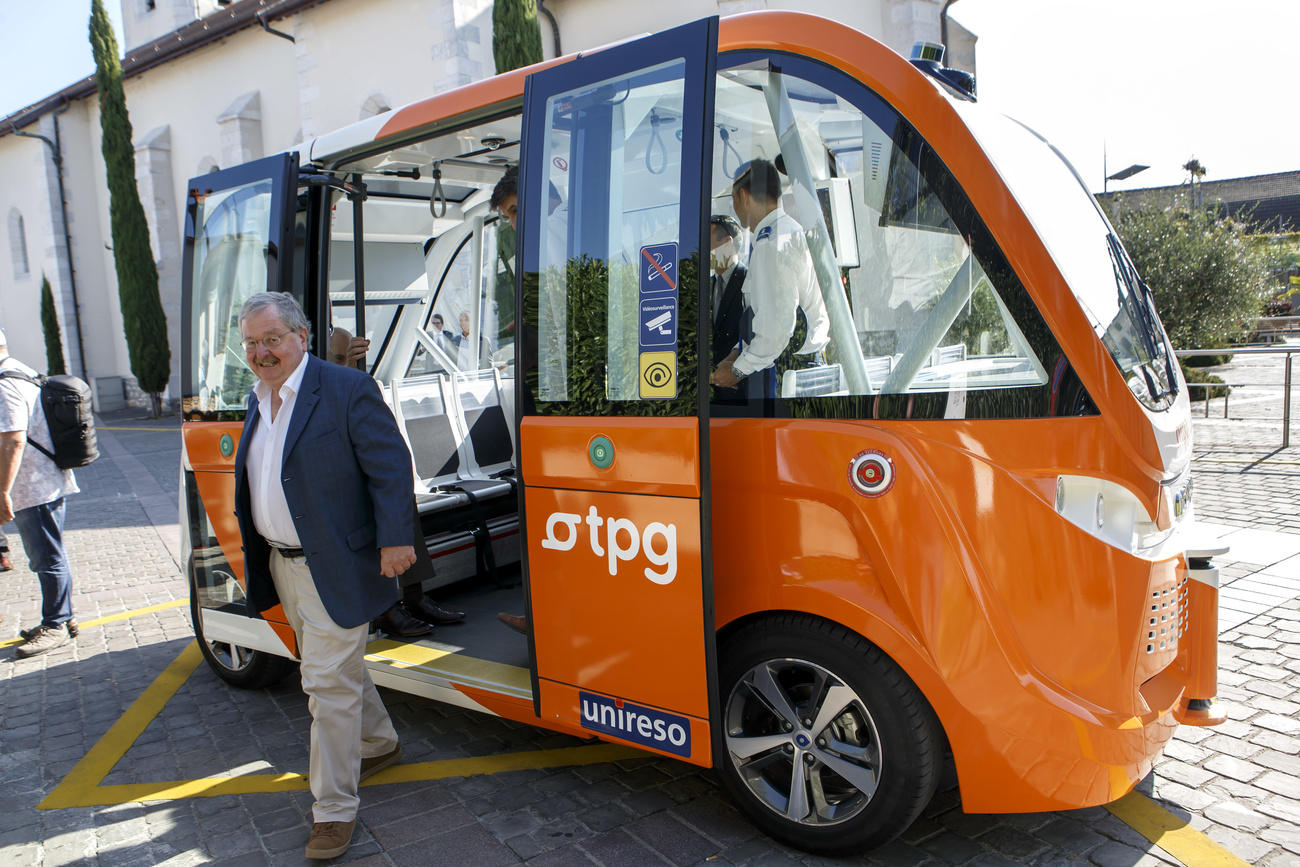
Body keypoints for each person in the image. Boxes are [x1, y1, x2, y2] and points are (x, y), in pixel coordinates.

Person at [234, 293, 411, 860]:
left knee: (325, 685)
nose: (262, 352)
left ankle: (333, 810)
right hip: (281, 564)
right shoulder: (259, 399)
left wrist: (396, 538)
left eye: (272, 340)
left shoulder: (344, 388)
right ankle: (379, 742)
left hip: (336, 561)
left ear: (302, 337)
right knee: (334, 668)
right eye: (252, 343)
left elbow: (389, 464)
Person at [323, 326, 464, 638]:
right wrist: (344, 363)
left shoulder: (337, 335)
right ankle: (384, 607)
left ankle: (414, 594)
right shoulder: (307, 335)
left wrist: (349, 364)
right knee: (364, 506)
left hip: (348, 426)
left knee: (399, 497)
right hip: (330, 440)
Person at [710, 158, 830, 397]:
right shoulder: (786, 231)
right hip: (801, 367)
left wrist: (736, 371)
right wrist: (736, 354)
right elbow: (763, 317)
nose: (734, 207)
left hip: (792, 372)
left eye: (733, 200)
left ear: (744, 196)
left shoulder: (770, 244)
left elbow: (776, 329)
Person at [0, 328, 81, 658]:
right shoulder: (22, 371)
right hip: (42, 480)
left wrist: (2, 490)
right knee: (50, 554)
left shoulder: (4, 383)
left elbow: (13, 439)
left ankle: (56, 624)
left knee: (46, 558)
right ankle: (64, 617)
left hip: (32, 486)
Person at [709, 215, 747, 376]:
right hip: (710, 388)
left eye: (707, 243)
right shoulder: (706, 285)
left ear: (727, 243)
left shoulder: (750, 281)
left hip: (740, 387)